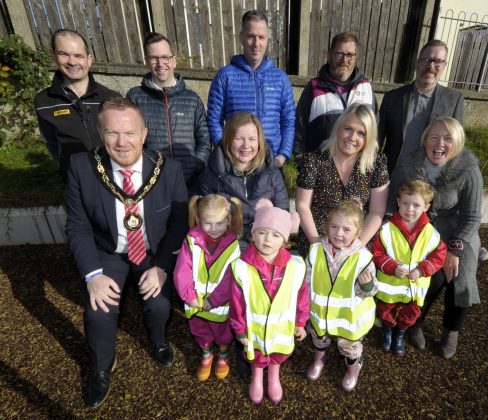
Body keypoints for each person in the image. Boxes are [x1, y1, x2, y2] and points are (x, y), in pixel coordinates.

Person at [66, 97, 188, 408]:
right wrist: (92, 275)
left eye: (130, 133)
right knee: (98, 312)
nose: (122, 142)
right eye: (112, 133)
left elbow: (178, 223)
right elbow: (78, 227)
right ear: (100, 133)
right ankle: (101, 367)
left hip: (152, 251)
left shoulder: (169, 170)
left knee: (160, 305)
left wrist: (162, 266)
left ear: (144, 134)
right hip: (108, 252)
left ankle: (158, 340)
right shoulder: (82, 168)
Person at [388, 117, 482, 359]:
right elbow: (393, 203)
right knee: (431, 276)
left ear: (458, 142)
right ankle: (415, 321)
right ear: (425, 140)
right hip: (420, 232)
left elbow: (472, 216)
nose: (440, 143)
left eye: (448, 138)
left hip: (458, 231)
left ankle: (451, 332)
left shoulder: (468, 169)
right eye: (434, 137)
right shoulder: (410, 163)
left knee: (460, 275)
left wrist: (454, 250)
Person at [204, 200, 309, 404]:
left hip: (281, 328)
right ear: (252, 234)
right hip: (254, 328)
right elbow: (237, 302)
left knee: (277, 352)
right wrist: (240, 329)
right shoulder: (241, 267)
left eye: (276, 234)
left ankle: (274, 376)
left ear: (285, 240)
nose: (268, 239)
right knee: (257, 354)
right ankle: (258, 377)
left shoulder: (295, 266)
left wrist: (300, 322)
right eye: (262, 232)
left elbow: (302, 297)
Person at [296, 102, 389, 257]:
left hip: (357, 244)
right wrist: (318, 245)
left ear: (369, 137)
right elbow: (302, 205)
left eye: (361, 133)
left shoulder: (376, 163)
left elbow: (377, 211)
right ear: (338, 128)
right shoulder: (314, 160)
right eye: (348, 129)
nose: (352, 137)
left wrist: (356, 246)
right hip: (316, 241)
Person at [207, 10, 295, 168]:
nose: (256, 43)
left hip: (271, 163)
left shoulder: (281, 78)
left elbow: (288, 121)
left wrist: (282, 156)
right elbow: (214, 120)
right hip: (236, 164)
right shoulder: (225, 76)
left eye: (261, 37)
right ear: (241, 38)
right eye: (250, 36)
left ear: (267, 39)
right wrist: (226, 153)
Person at [306, 200, 378, 392]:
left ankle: (352, 369)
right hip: (320, 312)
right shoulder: (315, 251)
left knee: (348, 347)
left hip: (348, 318)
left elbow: (372, 291)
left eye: (346, 229)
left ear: (358, 231)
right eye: (334, 226)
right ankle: (319, 360)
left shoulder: (363, 258)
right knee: (318, 338)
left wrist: (367, 285)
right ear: (327, 225)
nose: (339, 233)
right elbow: (307, 280)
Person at [127, 32, 210, 194]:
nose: (160, 63)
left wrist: (197, 164)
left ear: (173, 60)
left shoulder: (192, 99)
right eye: (154, 58)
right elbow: (132, 140)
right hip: (152, 184)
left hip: (190, 183)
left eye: (165, 57)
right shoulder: (135, 97)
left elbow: (204, 139)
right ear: (147, 62)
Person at [373, 180, 447, 356]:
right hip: (389, 285)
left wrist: (421, 270)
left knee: (410, 314)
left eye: (416, 205)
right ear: (398, 202)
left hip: (415, 287)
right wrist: (391, 267)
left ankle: (400, 334)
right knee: (386, 311)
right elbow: (377, 253)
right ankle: (389, 331)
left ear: (426, 207)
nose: (409, 209)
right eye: (405, 203)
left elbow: (439, 255)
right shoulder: (386, 230)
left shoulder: (431, 233)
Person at [173, 194, 242, 381]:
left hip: (219, 305)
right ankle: (206, 352)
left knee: (223, 332)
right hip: (195, 302)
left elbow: (232, 278)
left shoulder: (233, 245)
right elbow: (182, 271)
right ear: (198, 220)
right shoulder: (191, 240)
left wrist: (213, 300)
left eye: (219, 223)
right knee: (199, 330)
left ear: (228, 220)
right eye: (207, 223)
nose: (213, 229)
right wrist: (190, 297)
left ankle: (223, 352)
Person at [35, 29, 120, 180]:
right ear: (53, 55)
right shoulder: (44, 102)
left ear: (89, 59)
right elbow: (52, 144)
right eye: (64, 54)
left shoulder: (111, 98)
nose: (72, 62)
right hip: (75, 181)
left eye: (78, 55)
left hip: (114, 177)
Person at [199, 112, 289, 244]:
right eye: (239, 138)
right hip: (225, 242)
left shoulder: (272, 172)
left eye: (252, 139)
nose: (246, 145)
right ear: (228, 140)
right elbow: (204, 212)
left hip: (262, 243)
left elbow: (282, 211)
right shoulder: (213, 171)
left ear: (260, 141)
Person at [378, 39, 464, 175]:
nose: (431, 66)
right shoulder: (392, 98)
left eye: (438, 61)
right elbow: (377, 139)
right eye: (426, 60)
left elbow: (457, 145)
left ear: (445, 65)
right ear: (418, 63)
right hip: (392, 176)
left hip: (431, 180)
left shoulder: (454, 100)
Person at [294, 32, 376, 159]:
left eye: (349, 55)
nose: (344, 60)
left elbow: (374, 132)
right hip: (319, 169)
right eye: (339, 54)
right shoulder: (314, 87)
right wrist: (301, 163)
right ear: (329, 56)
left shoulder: (366, 88)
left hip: (356, 171)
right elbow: (299, 130)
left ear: (356, 58)